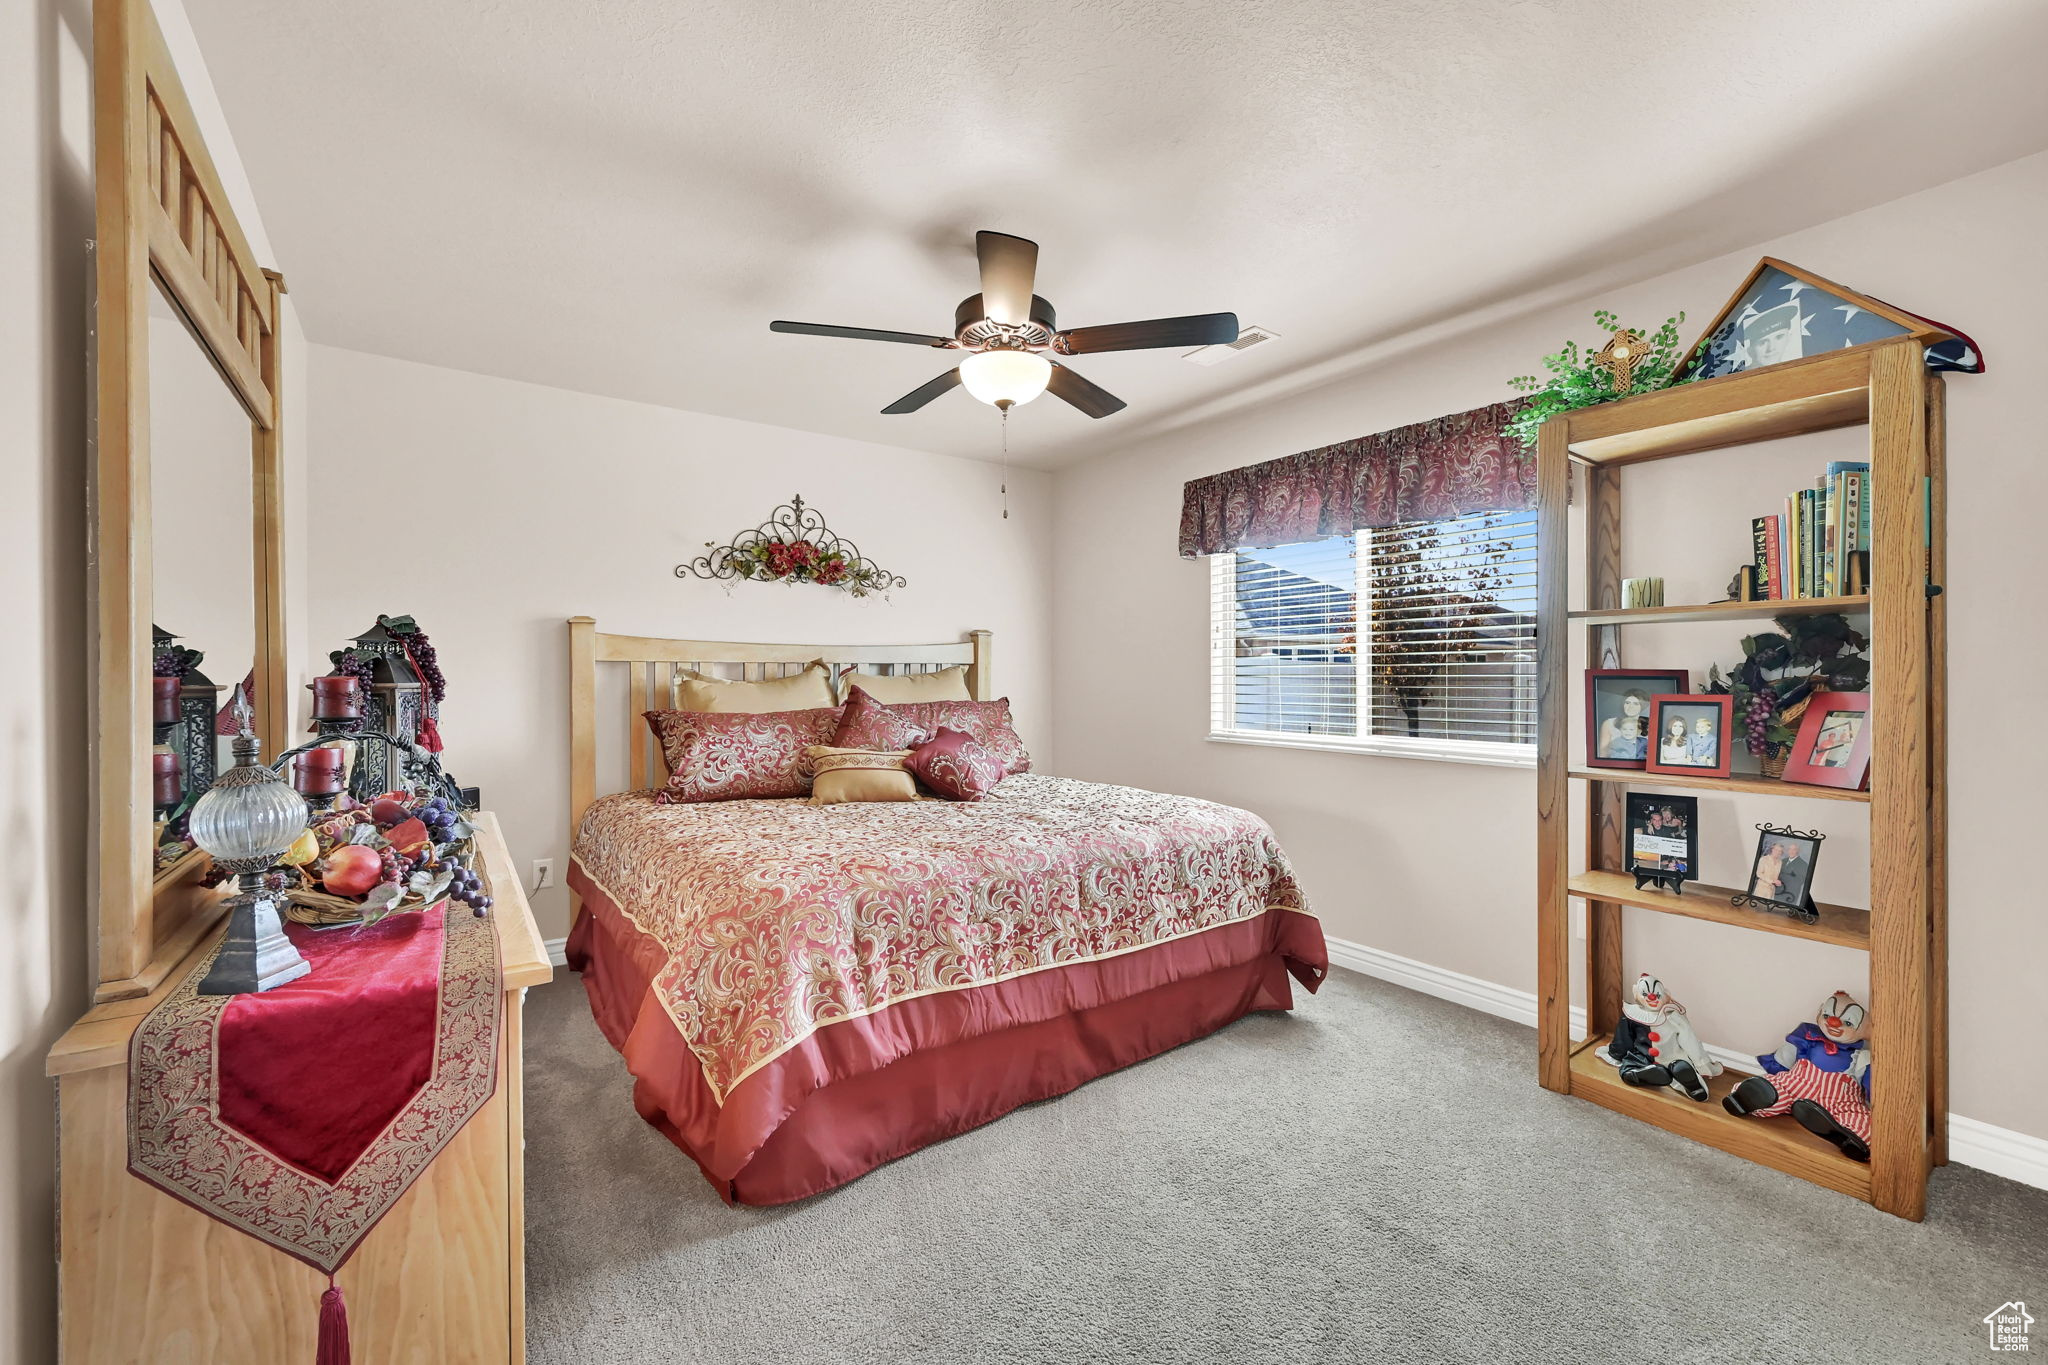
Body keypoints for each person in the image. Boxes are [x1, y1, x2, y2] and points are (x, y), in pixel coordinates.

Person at [1598, 690, 1650, 760]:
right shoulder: (1609, 723)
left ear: (1643, 706)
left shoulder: (1650, 725)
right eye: (1627, 703)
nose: (1631, 707)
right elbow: (1603, 754)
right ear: (1623, 704)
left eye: (1636, 704)